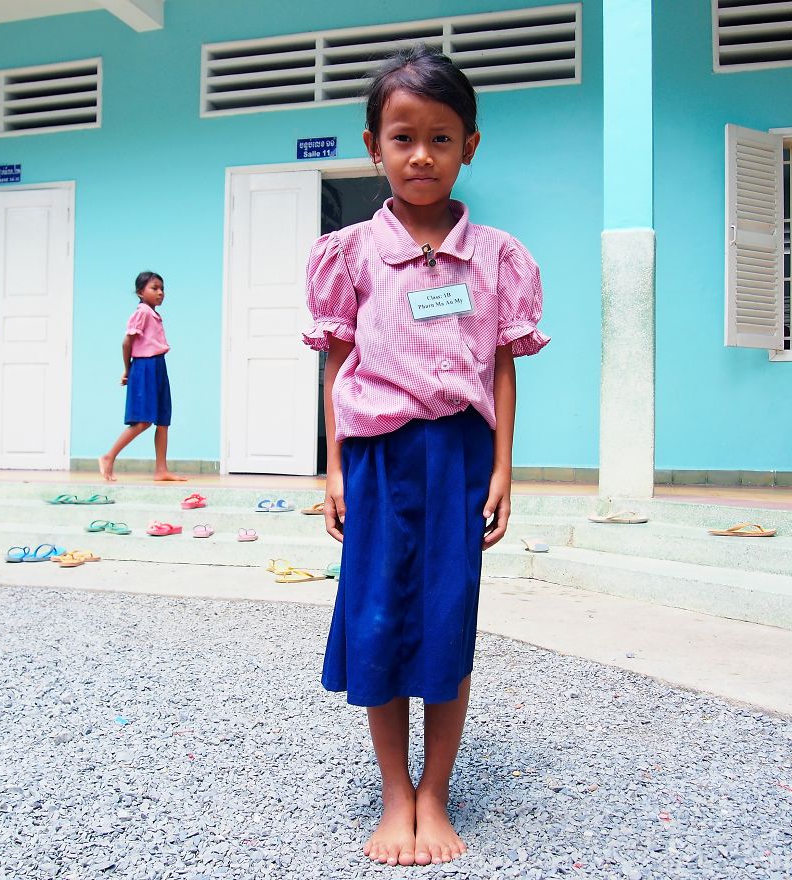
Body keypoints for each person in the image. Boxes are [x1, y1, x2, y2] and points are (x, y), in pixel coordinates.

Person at [302, 46, 549, 867]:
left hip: (459, 459)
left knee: (445, 616)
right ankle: (393, 791)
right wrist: (335, 469)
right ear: (372, 144)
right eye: (402, 136)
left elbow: (502, 366)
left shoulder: (499, 257)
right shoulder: (348, 254)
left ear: (469, 145)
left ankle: (436, 792)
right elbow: (339, 363)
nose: (420, 155)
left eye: (441, 138)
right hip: (375, 459)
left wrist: (504, 468)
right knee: (377, 616)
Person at [99, 271, 186, 481]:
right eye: (154, 288)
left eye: (162, 289)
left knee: (163, 419)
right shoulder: (142, 312)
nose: (160, 293)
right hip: (144, 367)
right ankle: (108, 457)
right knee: (143, 421)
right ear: (140, 292)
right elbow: (126, 342)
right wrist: (127, 369)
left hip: (158, 366)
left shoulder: (153, 314)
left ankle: (161, 470)